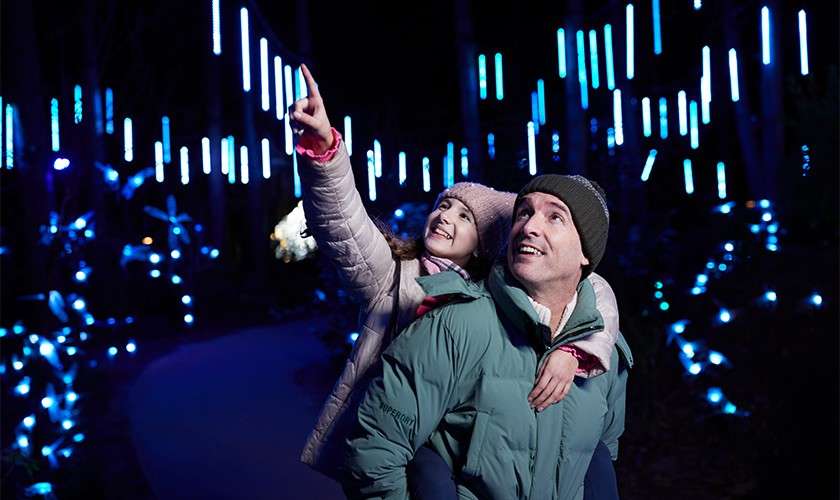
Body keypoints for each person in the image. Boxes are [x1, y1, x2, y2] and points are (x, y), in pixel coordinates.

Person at [290, 65, 622, 496]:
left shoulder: (498, 294)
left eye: (464, 216)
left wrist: (577, 351)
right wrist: (325, 153)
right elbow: (344, 225)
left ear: (485, 244)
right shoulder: (397, 277)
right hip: (402, 440)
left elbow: (594, 291)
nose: (445, 216)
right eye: (444, 205)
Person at [343, 174, 632, 499]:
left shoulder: (605, 355)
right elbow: (375, 450)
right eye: (523, 212)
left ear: (586, 254)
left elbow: (599, 459)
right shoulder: (454, 326)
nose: (530, 226)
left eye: (555, 217)